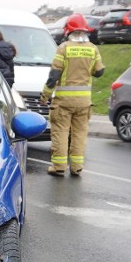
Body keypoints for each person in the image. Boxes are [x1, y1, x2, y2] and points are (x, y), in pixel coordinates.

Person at [40, 13, 104, 177]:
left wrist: (45, 95)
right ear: (85, 31)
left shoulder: (64, 48)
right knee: (79, 134)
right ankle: (76, 167)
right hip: (84, 102)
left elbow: (54, 75)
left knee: (61, 132)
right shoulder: (93, 48)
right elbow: (99, 72)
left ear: (68, 30)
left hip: (63, 102)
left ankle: (59, 166)